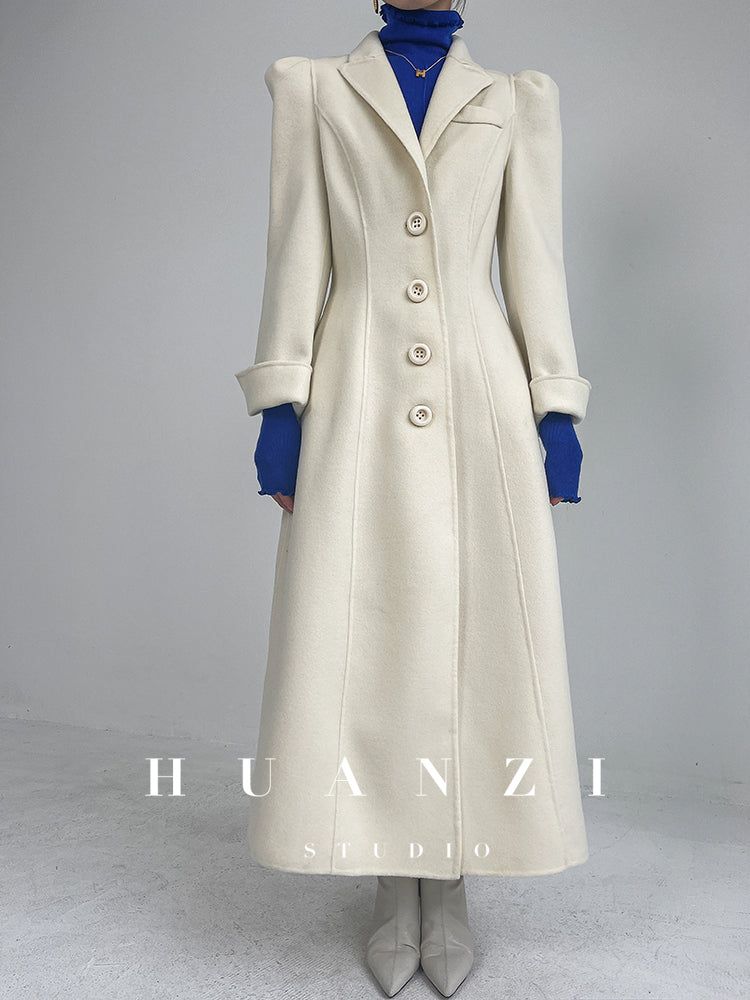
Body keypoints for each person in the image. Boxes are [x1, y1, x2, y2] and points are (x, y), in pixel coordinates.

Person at [234, 1, 592, 996]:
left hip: (480, 398)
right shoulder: (314, 88)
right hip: (358, 393)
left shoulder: (516, 100)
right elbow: (296, 251)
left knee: (479, 642)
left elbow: (534, 263)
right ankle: (397, 885)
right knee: (370, 637)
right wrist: (282, 400)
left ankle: (454, 882)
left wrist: (556, 406)